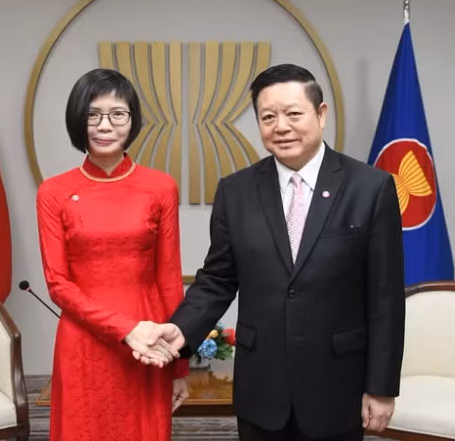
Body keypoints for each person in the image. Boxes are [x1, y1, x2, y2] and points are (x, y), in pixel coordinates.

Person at [142, 64, 405, 440]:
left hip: (337, 385)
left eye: (293, 114)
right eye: (268, 117)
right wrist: (181, 330)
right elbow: (217, 280)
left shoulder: (370, 188)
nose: (281, 126)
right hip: (262, 385)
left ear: (321, 114)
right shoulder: (235, 191)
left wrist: (381, 387)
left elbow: (385, 297)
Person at [36, 68, 189, 441]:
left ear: (132, 120)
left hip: (150, 341)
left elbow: (169, 278)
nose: (105, 125)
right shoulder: (53, 192)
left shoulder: (160, 187)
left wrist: (180, 367)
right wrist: (126, 329)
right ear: (77, 119)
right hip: (84, 341)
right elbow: (58, 284)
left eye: (118, 114)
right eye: (93, 115)